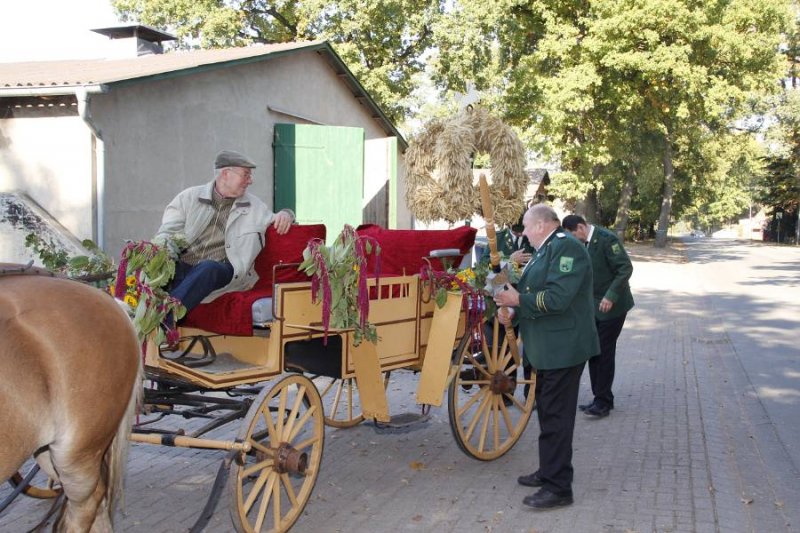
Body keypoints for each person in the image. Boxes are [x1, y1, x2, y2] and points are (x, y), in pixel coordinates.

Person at [494, 204, 599, 510]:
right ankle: (550, 470)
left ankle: (558, 488)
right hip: (549, 348)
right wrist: (514, 309)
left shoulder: (568, 249)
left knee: (556, 416)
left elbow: (557, 298)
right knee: (548, 412)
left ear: (540, 225)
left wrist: (518, 299)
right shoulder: (546, 249)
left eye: (526, 227)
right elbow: (534, 290)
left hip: (564, 348)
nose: (523, 233)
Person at [155, 149, 294, 320]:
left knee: (208, 267)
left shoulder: (255, 207)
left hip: (223, 271)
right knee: (145, 267)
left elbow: (280, 219)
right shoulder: (188, 198)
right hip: (184, 269)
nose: (250, 180)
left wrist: (287, 214)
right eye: (246, 174)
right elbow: (166, 234)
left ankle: (161, 321)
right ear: (226, 174)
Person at [562, 214, 634, 418]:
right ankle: (600, 398)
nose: (573, 241)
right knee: (593, 351)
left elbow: (625, 268)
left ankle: (603, 401)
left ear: (581, 228)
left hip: (614, 307)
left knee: (603, 352)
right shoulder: (581, 244)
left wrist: (611, 296)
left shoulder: (606, 239)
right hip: (593, 307)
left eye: (573, 236)